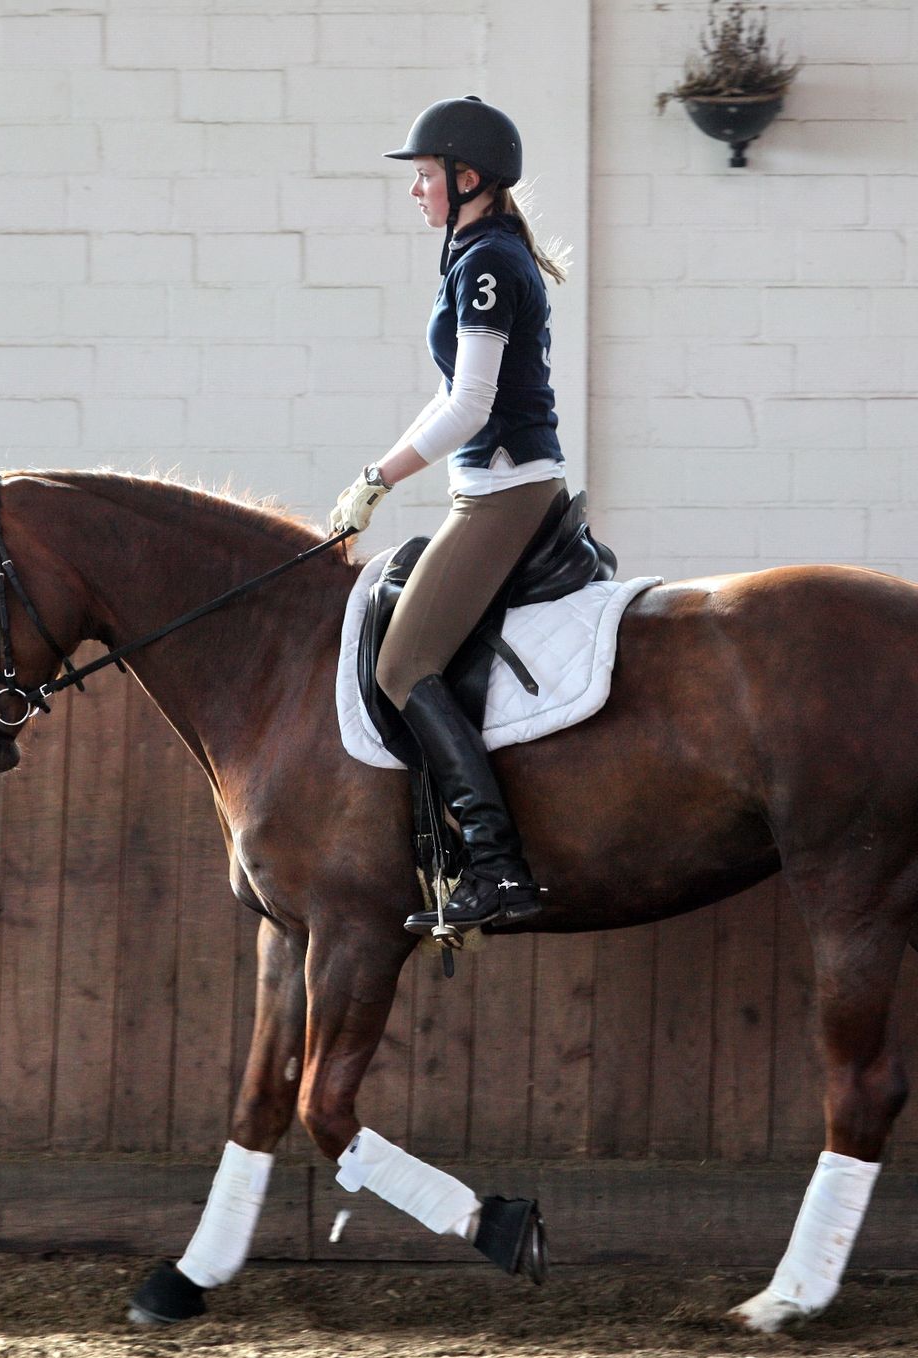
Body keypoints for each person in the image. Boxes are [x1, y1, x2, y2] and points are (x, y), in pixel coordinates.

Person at [329, 95, 572, 936]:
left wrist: (378, 477)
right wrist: (375, 472)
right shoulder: (474, 253)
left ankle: (498, 866)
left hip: (509, 487)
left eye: (425, 175)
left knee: (401, 666)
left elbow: (470, 406)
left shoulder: (488, 263)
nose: (416, 191)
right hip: (491, 486)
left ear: (468, 179)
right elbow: (451, 394)